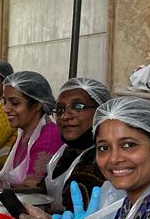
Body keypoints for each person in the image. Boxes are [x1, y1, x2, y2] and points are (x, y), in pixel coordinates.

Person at [44, 77, 112, 211]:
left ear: (102, 111)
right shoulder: (66, 152)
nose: (65, 116)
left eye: (77, 107)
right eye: (59, 109)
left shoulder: (99, 162)